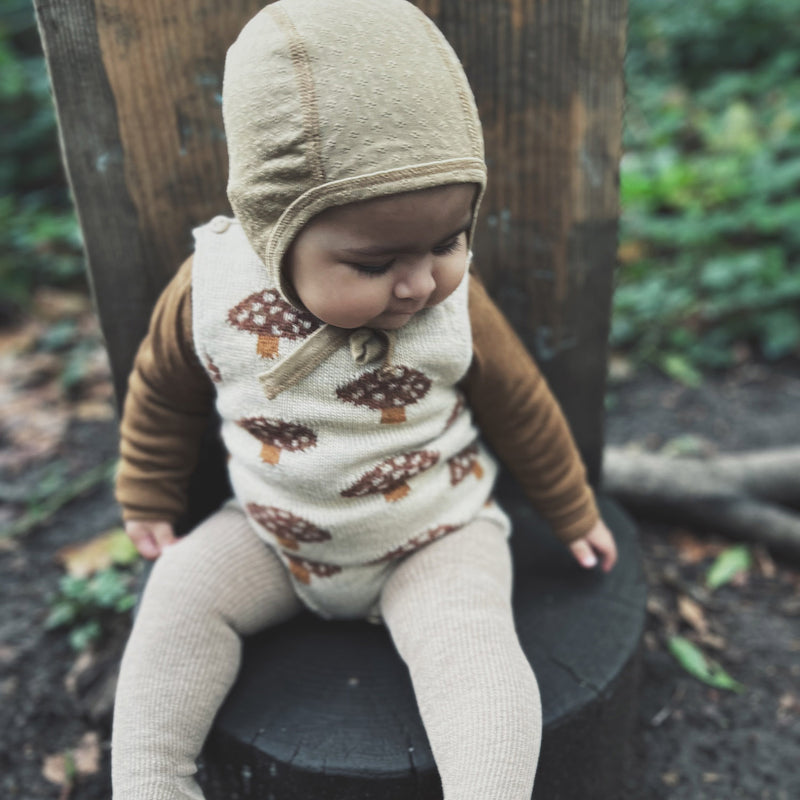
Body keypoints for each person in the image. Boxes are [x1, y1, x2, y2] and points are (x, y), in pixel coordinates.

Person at [111, 0, 618, 798]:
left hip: (431, 531)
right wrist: (145, 489)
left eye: (447, 243)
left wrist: (572, 507)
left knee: (473, 648)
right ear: (274, 230)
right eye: (376, 261)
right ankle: (150, 783)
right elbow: (162, 395)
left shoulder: (451, 308)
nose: (419, 284)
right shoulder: (210, 294)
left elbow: (521, 404)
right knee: (177, 599)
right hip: (275, 530)